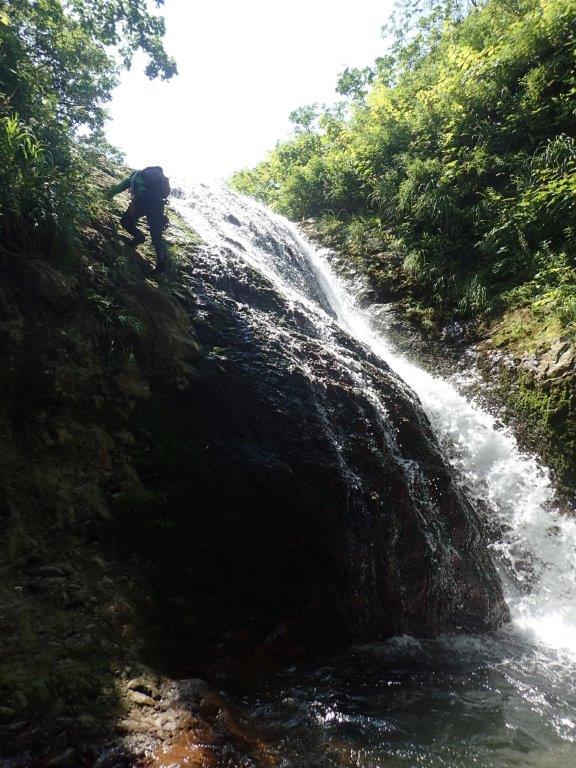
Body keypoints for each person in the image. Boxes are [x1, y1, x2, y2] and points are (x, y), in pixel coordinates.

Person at [106, 166, 171, 273]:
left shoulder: (137, 175)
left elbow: (120, 187)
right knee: (156, 234)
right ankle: (161, 261)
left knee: (125, 221)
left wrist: (108, 195)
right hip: (158, 203)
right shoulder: (160, 183)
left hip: (142, 199)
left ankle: (138, 236)